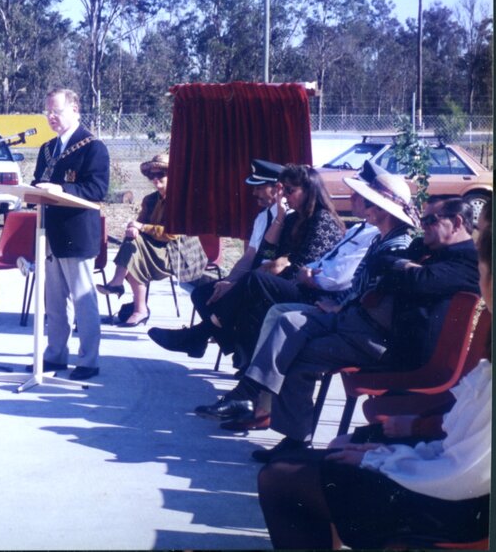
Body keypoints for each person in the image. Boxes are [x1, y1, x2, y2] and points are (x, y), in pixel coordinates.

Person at [256, 215, 491, 549]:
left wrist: (381, 459)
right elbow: (463, 442)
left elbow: (463, 473)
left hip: (460, 511)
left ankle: (263, 407)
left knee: (279, 479)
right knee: (309, 463)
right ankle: (263, 404)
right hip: (451, 489)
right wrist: (396, 448)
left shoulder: (455, 259)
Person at [207, 189, 478, 464]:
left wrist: (404, 270)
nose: (424, 226)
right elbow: (380, 263)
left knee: (299, 355)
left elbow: (420, 281)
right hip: (360, 323)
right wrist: (405, 268)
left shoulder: (468, 261)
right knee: (288, 320)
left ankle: (292, 438)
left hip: (385, 344)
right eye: (424, 219)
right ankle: (251, 392)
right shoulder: (428, 249)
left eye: (431, 221)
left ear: (457, 223)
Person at [147, 158, 286, 359]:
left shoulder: (288, 217)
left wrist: (236, 284)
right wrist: (229, 280)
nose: (254, 193)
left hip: (271, 283)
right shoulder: (263, 217)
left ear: (278, 189)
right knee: (203, 294)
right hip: (252, 278)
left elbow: (278, 263)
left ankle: (201, 340)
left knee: (230, 301)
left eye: (259, 188)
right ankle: (236, 352)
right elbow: (249, 256)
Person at [31, 88, 110, 381]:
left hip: (76, 234)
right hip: (49, 233)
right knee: (54, 302)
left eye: (57, 111)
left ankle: (88, 360)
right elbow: (38, 182)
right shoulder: (47, 149)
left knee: (83, 301)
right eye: (48, 111)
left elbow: (97, 188)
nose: (51, 116)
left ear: (75, 109)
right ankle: (55, 355)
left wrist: (61, 189)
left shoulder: (93, 147)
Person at [95, 154, 205, 327]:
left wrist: (142, 227)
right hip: (153, 250)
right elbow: (141, 223)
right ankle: (138, 309)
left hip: (178, 254)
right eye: (151, 175)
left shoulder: (180, 200)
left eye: (160, 174)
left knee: (133, 250)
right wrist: (134, 229)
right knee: (133, 246)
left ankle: (122, 288)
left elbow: (172, 234)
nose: (155, 179)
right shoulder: (150, 199)